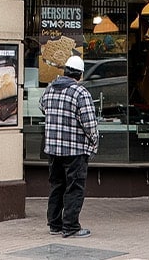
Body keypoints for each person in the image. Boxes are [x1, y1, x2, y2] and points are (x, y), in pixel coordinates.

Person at [42, 53, 99, 239]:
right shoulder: (81, 93)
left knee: (57, 185)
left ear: (65, 71)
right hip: (75, 150)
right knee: (74, 187)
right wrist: (94, 143)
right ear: (80, 75)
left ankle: (55, 224)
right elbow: (90, 125)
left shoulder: (50, 89)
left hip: (53, 149)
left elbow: (42, 106)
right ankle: (71, 226)